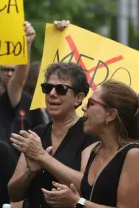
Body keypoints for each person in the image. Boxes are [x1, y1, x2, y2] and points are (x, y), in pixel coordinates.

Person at [39, 80, 139, 207]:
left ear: (110, 114)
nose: (83, 107)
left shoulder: (133, 154)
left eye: (91, 103)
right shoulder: (95, 150)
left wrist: (77, 202)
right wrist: (71, 199)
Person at [8, 62, 98, 208]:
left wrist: (42, 157)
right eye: (47, 88)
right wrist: (30, 173)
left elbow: (87, 185)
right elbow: (13, 193)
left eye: (61, 89)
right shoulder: (37, 133)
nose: (52, 94)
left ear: (78, 98)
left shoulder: (90, 134)